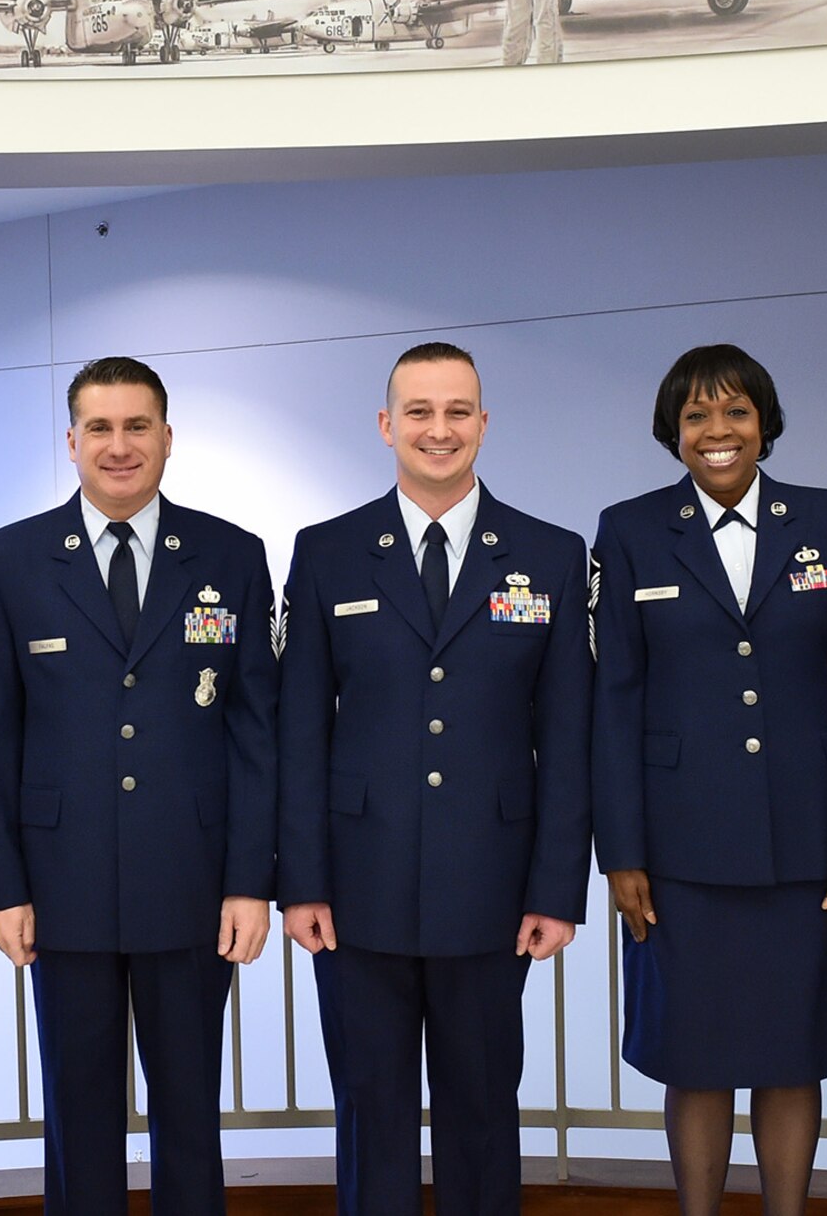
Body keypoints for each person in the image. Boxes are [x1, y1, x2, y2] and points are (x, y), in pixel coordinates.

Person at [279, 341, 591, 1215]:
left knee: (484, 1108)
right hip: (354, 888)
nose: (439, 429)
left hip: (495, 892)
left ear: (484, 424)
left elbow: (567, 738)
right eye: (418, 411)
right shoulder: (327, 553)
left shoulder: (552, 554)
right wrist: (299, 879)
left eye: (457, 411)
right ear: (387, 425)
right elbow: (299, 732)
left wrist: (558, 888)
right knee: (370, 1112)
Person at [0, 357, 278, 1214]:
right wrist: (5, 887)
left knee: (190, 1108)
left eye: (137, 426)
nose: (119, 445)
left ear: (168, 437)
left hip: (193, 881)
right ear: (71, 442)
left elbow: (257, 733)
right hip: (61, 889)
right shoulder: (9, 559)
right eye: (99, 428)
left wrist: (252, 880)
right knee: (78, 1108)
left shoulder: (232, 555)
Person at [590, 345, 827, 1216]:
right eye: (695, 416)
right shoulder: (630, 530)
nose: (717, 431)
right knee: (695, 1055)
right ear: (672, 432)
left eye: (735, 412)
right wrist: (623, 850)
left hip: (810, 847)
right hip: (679, 854)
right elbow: (612, 701)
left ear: (764, 423)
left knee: (792, 1051)